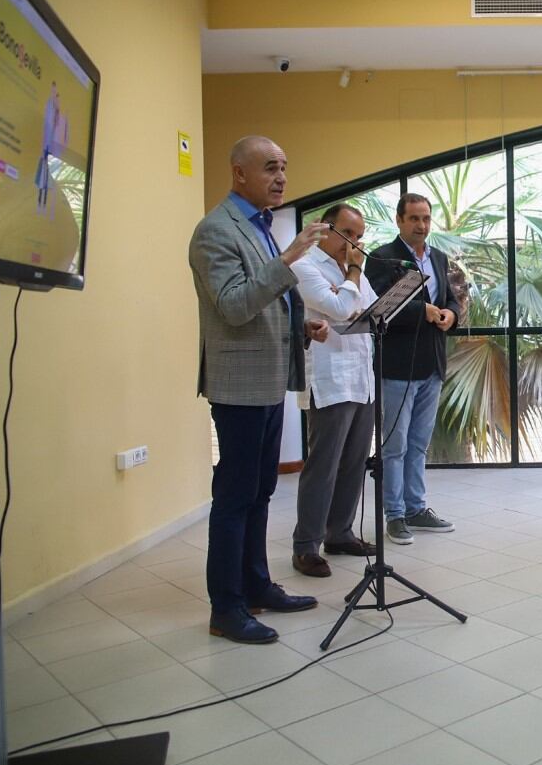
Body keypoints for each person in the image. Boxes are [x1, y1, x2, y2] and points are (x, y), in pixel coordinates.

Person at [189, 135, 327, 644]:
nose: (281, 177)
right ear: (238, 173)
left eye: (284, 167)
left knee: (261, 491)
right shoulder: (214, 232)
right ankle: (226, 607)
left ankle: (256, 585)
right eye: (270, 167)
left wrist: (301, 326)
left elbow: (270, 300)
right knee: (234, 497)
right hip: (238, 383)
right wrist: (290, 256)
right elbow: (233, 305)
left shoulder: (261, 227)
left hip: (270, 378)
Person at [288, 204, 380, 578]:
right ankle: (305, 545)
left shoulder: (348, 270)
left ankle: (339, 533)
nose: (354, 243)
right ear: (326, 230)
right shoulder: (305, 265)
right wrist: (353, 276)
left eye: (359, 236)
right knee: (323, 465)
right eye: (347, 234)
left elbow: (370, 308)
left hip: (361, 377)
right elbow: (342, 309)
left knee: (355, 461)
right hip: (329, 378)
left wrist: (349, 286)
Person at [366, 193, 461, 545]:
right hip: (397, 365)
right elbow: (377, 307)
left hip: (432, 363)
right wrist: (419, 310)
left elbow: (449, 298)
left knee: (419, 443)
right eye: (414, 219)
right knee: (395, 445)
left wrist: (451, 314)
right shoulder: (381, 257)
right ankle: (394, 514)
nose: (421, 226)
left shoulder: (437, 256)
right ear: (399, 220)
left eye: (426, 219)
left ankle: (416, 507)